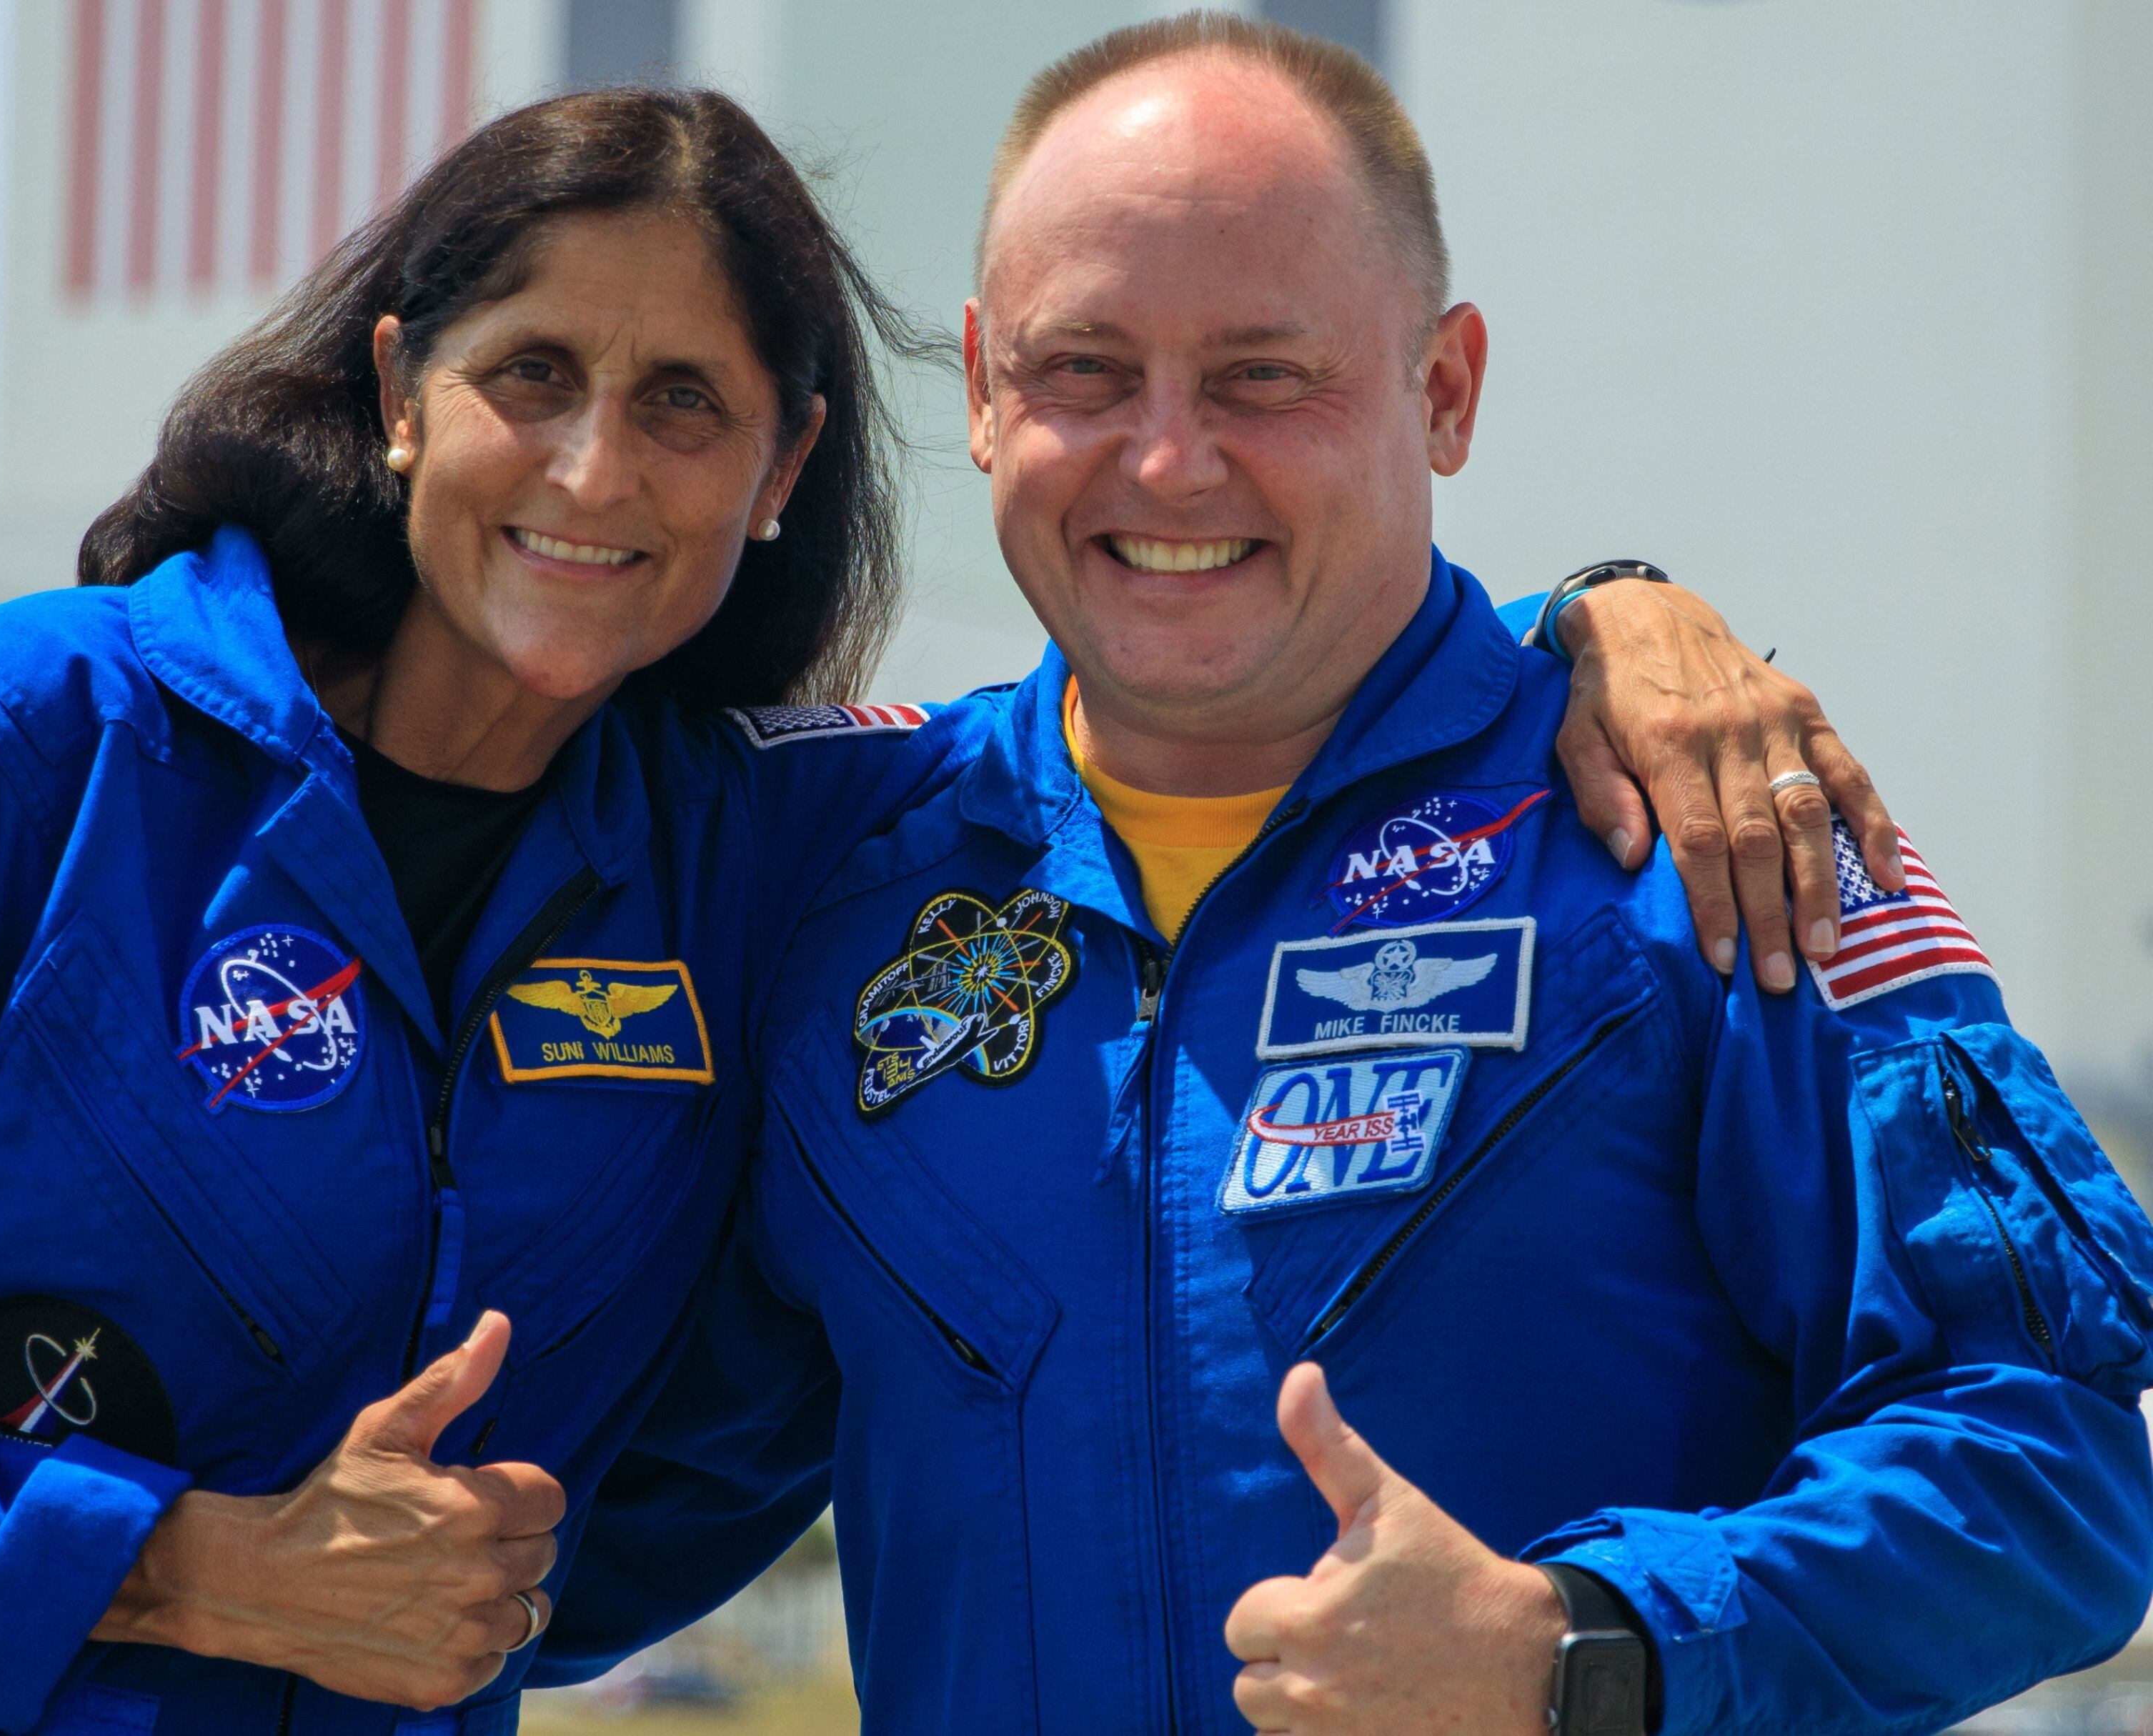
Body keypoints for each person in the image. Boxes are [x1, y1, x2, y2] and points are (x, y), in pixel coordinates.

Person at [0, 78, 1880, 1736]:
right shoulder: (28, 738)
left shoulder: (778, 849)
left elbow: (1200, 686)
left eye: (686, 404)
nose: (596, 472)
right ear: (401, 390)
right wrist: (200, 1567)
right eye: (535, 379)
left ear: (786, 468)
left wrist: (1618, 612)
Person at [531, 19, 2153, 1736]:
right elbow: (624, 1516)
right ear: (986, 392)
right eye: (1086, 372)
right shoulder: (829, 876)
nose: (1168, 463)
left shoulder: (1714, 835)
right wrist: (275, 1544)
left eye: (1263, 375)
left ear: (1442, 390)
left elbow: (2053, 1463)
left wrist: (1587, 1644)